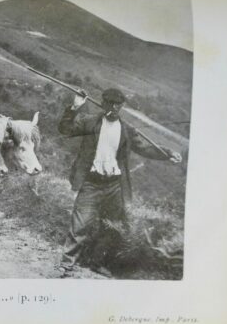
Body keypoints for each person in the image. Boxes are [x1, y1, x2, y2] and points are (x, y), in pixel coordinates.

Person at [57, 87, 182, 275]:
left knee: (112, 225)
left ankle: (96, 262)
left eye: (118, 105)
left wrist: (168, 154)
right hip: (91, 183)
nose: (114, 108)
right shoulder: (90, 122)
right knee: (80, 224)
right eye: (110, 103)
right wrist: (74, 107)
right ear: (103, 103)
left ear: (121, 106)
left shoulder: (127, 129)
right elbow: (65, 130)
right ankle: (67, 263)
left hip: (114, 185)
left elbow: (145, 148)